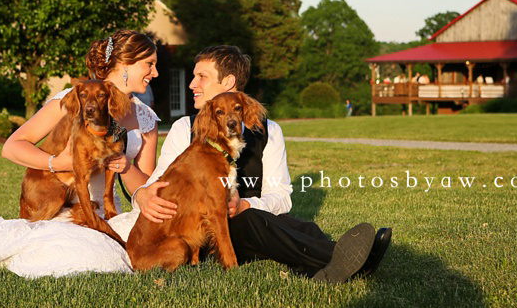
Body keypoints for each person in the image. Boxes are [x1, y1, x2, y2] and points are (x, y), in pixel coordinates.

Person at [135, 46, 391, 283]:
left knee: (298, 225)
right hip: (204, 233)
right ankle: (339, 258)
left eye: (201, 77)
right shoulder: (184, 129)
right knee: (255, 220)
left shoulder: (270, 131)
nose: (192, 84)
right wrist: (141, 194)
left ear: (228, 83)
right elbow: (157, 184)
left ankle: (341, 261)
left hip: (251, 225)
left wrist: (245, 204)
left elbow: (281, 198)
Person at [0, 30, 159, 277]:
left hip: (108, 209)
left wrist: (125, 166)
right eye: (149, 64)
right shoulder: (73, 102)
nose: (155, 73)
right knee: (86, 255)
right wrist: (57, 162)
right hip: (64, 207)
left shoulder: (146, 117)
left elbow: (145, 188)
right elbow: (12, 146)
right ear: (125, 64)